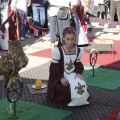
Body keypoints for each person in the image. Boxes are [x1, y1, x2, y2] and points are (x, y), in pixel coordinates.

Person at [47, 26, 90, 106]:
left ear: (75, 38)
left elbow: (77, 64)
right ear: (63, 38)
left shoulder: (78, 51)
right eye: (68, 39)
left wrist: (78, 73)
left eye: (72, 39)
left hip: (72, 75)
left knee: (82, 85)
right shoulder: (58, 51)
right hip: (60, 76)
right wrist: (61, 78)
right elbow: (53, 69)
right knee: (65, 89)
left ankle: (79, 100)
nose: (70, 42)